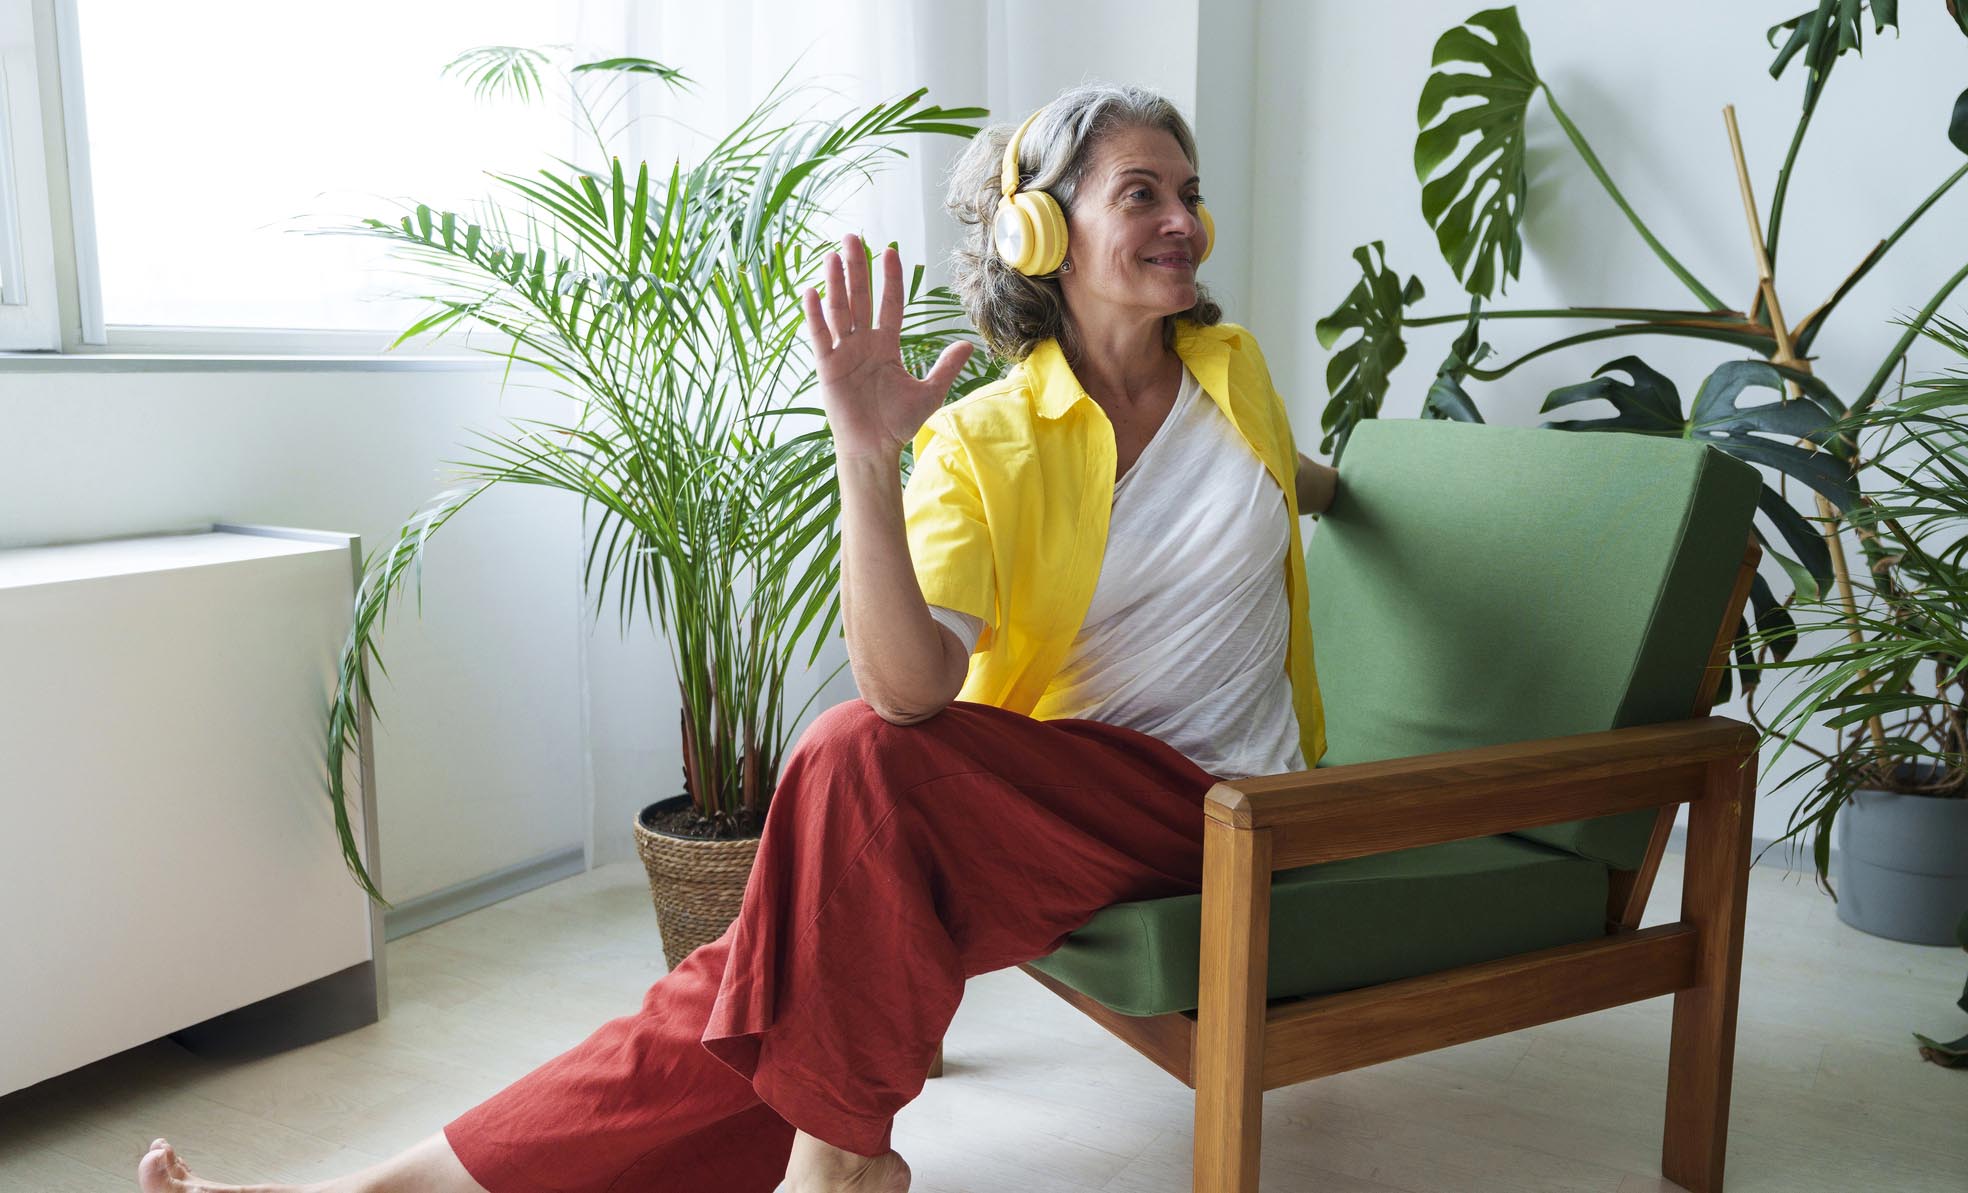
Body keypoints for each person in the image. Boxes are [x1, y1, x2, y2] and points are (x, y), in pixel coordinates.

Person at [136, 81, 1338, 1193]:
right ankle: (383, 1191)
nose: (1184, 219)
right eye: (1143, 193)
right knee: (760, 966)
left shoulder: (1235, 372)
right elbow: (914, 693)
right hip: (1066, 801)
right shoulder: (986, 441)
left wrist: (1357, 492)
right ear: (1040, 231)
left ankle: (840, 1161)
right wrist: (865, 458)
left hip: (1240, 807)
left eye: (1189, 194)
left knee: (834, 784)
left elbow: (1287, 473)